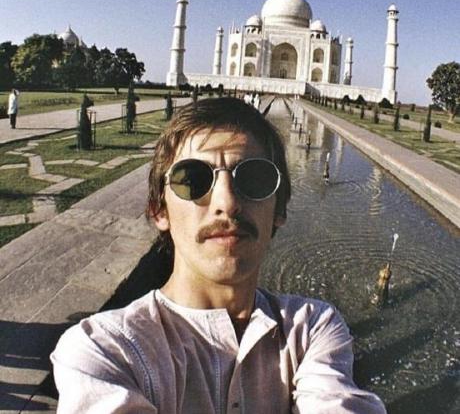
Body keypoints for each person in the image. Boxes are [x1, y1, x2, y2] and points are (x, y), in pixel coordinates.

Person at [51, 97, 386, 413]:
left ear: (280, 209)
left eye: (254, 178)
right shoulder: (106, 349)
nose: (227, 203)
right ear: (159, 210)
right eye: (193, 180)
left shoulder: (310, 328)